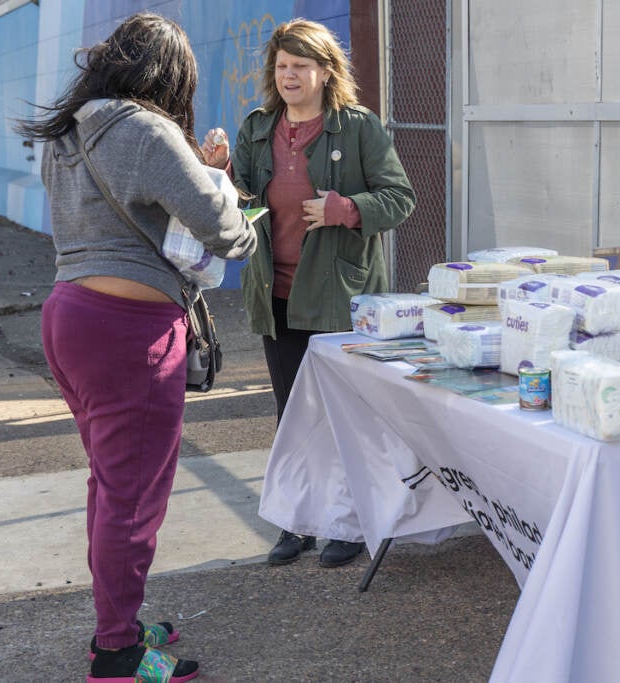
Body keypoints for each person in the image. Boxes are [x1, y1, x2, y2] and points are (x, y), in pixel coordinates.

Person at [15, 13, 257, 683]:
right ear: (168, 73)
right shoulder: (147, 130)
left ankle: (118, 622)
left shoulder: (69, 130)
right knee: (133, 498)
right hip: (131, 331)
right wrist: (224, 188)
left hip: (69, 314)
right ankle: (117, 652)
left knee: (110, 484)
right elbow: (224, 232)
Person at [200, 19, 415, 568]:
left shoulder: (358, 128)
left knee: (346, 415)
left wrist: (347, 209)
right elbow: (242, 201)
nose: (289, 75)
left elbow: (400, 198)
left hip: (342, 297)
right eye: (282, 66)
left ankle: (348, 522)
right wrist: (220, 172)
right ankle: (296, 524)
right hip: (278, 295)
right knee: (292, 415)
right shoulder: (256, 127)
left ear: (325, 70)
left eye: (300, 65)